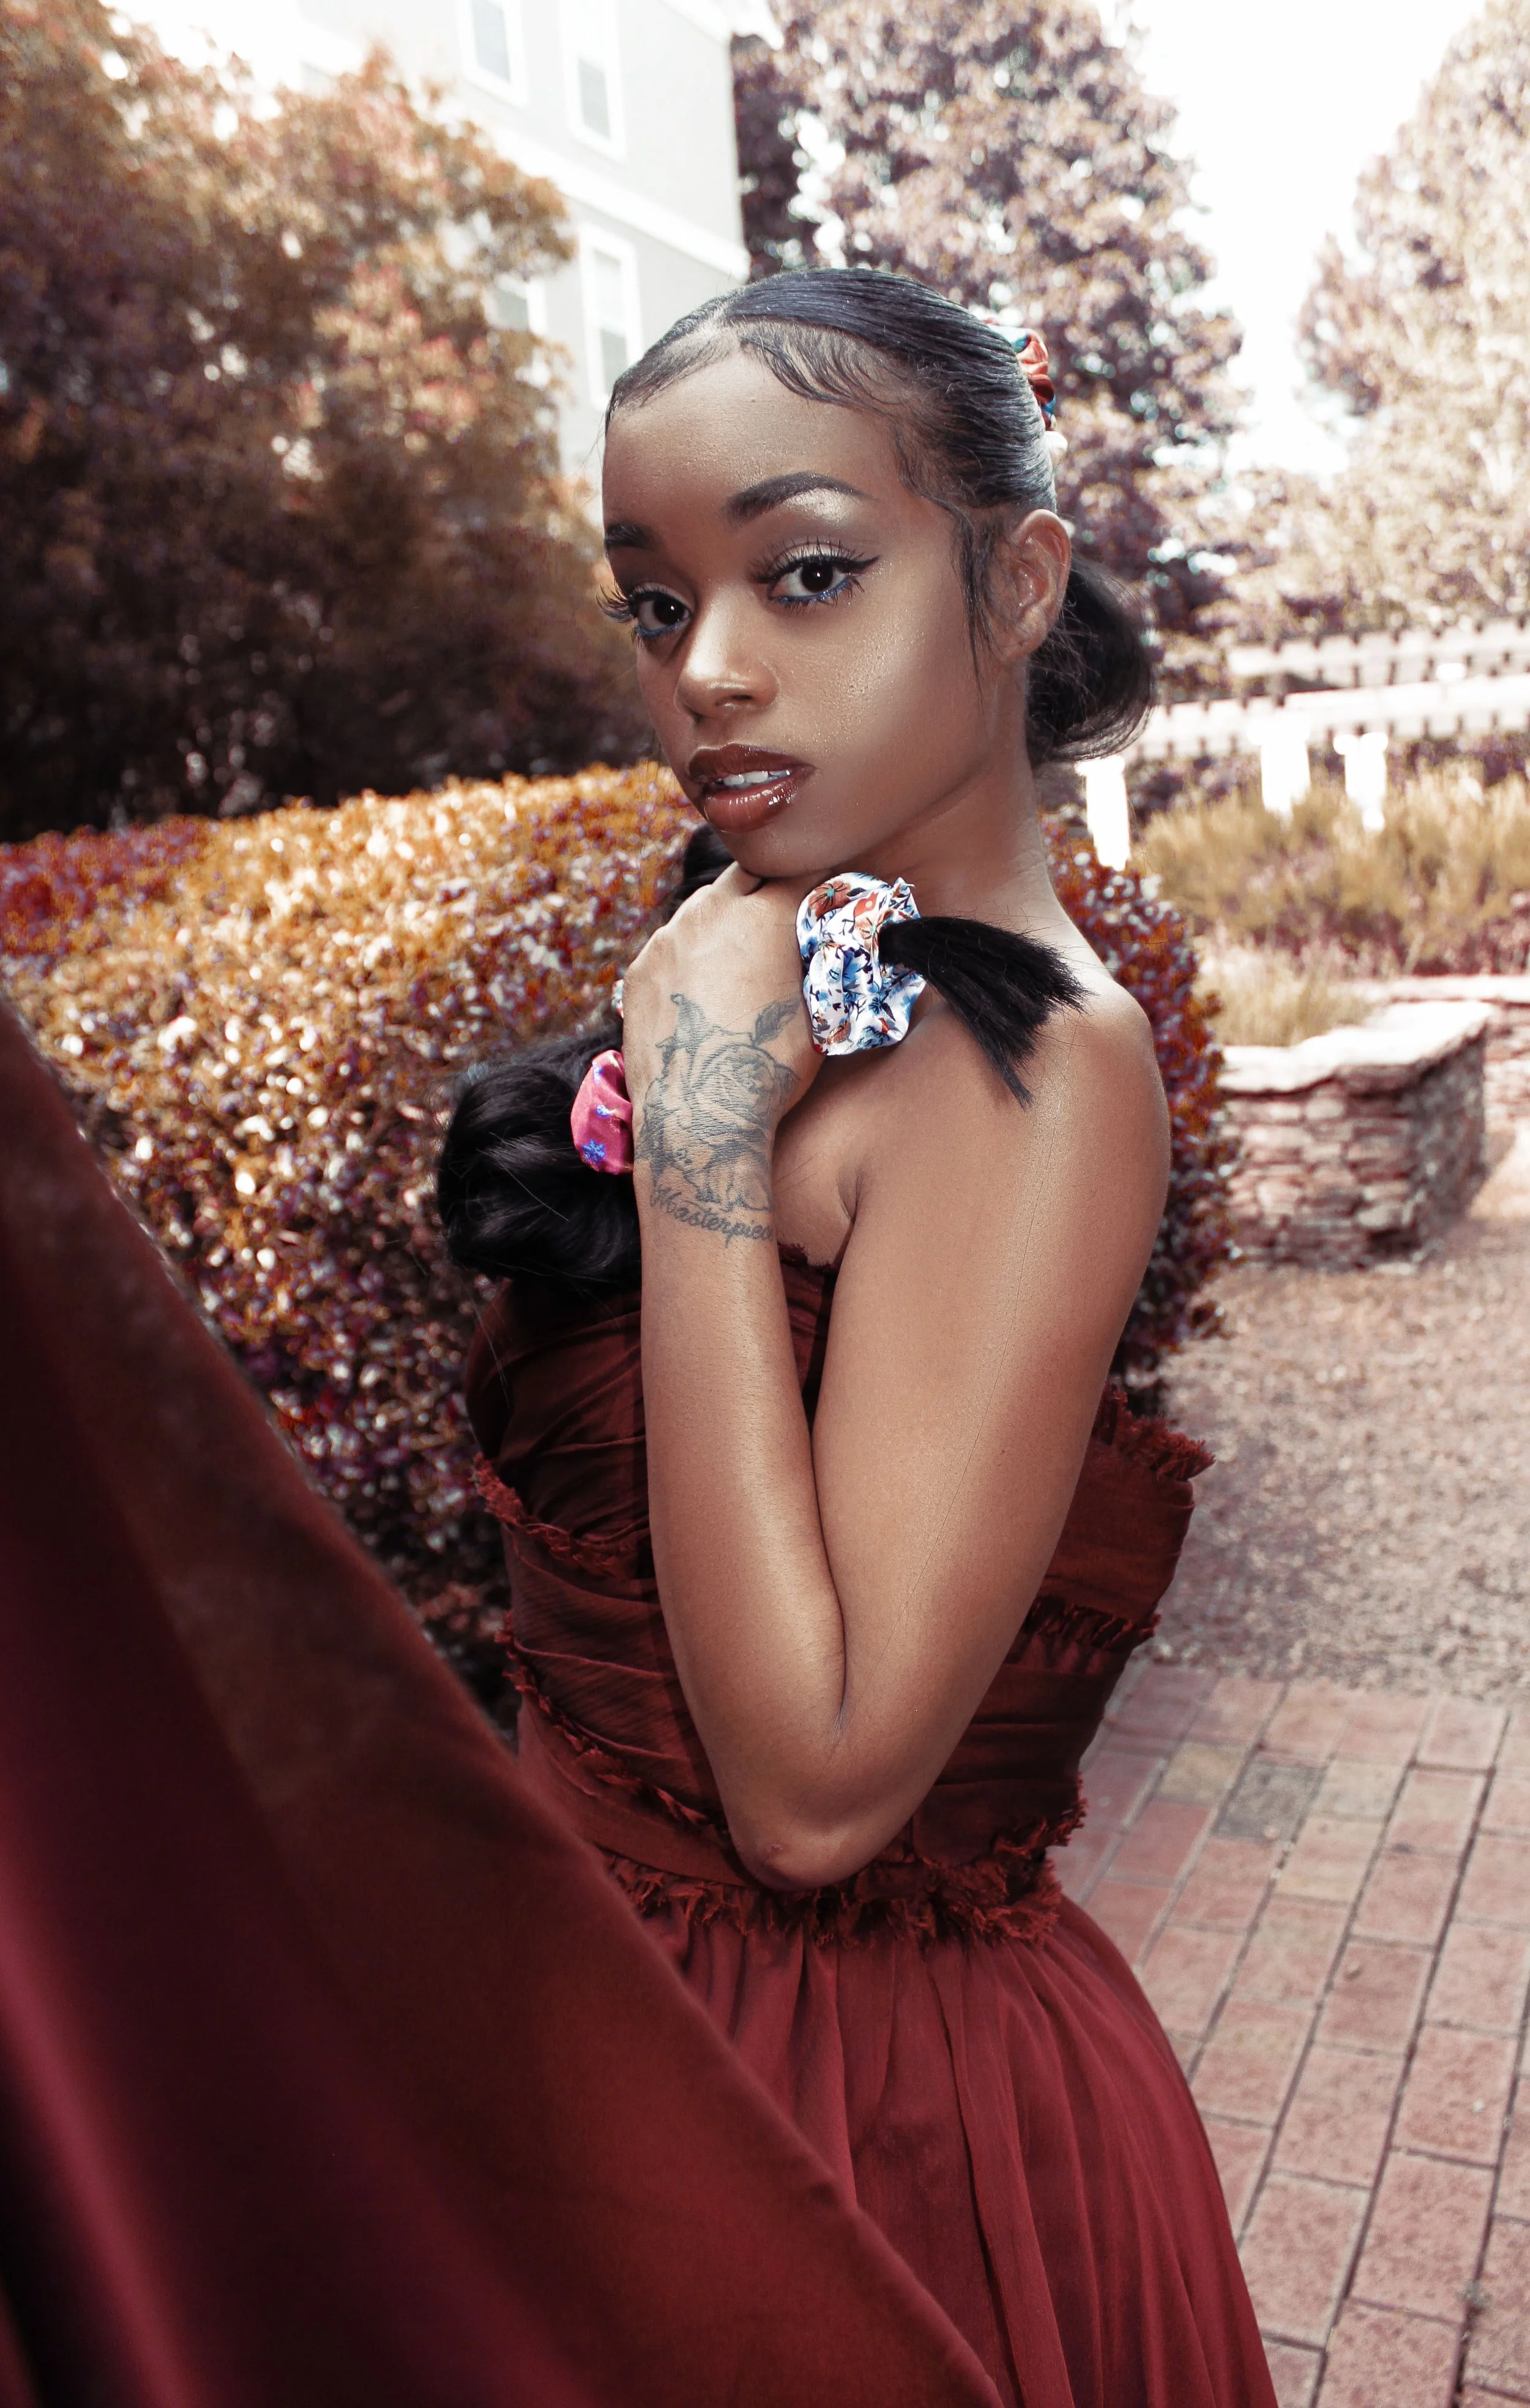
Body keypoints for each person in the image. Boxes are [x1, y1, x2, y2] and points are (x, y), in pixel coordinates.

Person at [440, 269, 1275, 2408]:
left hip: (847, 2140)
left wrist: (704, 1136)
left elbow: (816, 1791)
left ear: (1012, 583)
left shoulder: (1040, 1076)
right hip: (613, 2050)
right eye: (655, 604)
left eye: (803, 575)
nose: (709, 669)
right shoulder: (771, 963)